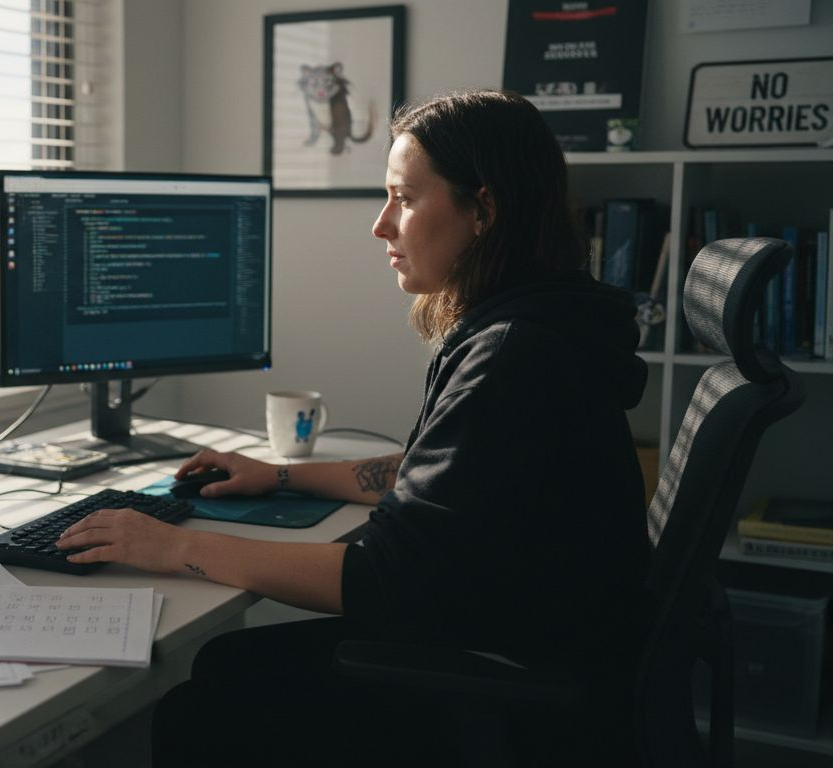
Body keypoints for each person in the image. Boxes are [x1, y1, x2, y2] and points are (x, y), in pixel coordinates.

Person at [56, 89, 651, 766]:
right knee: (227, 663)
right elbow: (436, 481)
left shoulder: (516, 353)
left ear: (482, 208)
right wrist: (280, 476)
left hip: (520, 682)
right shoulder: (541, 323)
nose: (381, 225)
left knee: (213, 692)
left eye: (404, 197)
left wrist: (170, 547)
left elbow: (383, 580)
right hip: (544, 640)